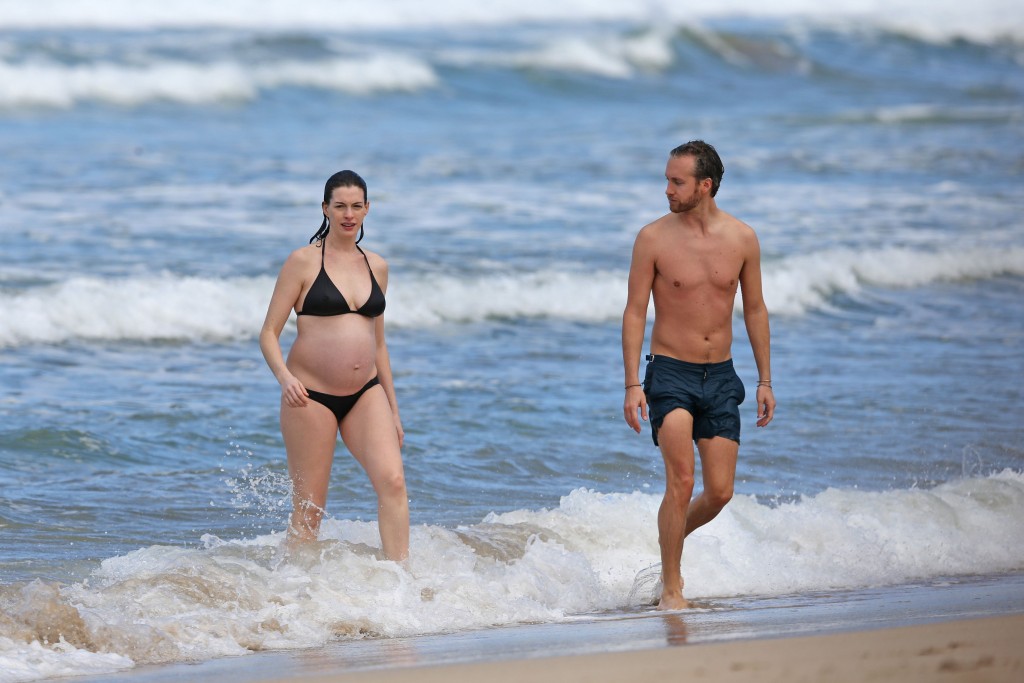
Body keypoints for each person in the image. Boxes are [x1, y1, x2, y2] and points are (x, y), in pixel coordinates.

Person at [622, 141, 775, 609]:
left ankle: (670, 541)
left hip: (722, 376)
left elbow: (755, 309)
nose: (666, 189)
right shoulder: (652, 238)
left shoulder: (742, 238)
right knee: (682, 482)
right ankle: (672, 585)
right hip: (670, 374)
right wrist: (632, 384)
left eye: (677, 181)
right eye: (667, 179)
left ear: (704, 186)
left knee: (720, 493)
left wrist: (766, 379)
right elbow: (633, 312)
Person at [260, 170, 409, 561]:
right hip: (310, 397)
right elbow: (268, 334)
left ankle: (403, 587)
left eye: (356, 206)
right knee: (310, 509)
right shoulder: (303, 262)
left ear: (367, 209)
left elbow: (378, 344)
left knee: (393, 483)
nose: (348, 214)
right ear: (325, 209)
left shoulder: (377, 266)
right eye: (339, 206)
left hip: (366, 393)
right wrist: (285, 379)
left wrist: (393, 410)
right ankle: (294, 596)